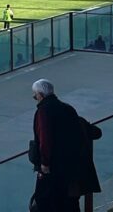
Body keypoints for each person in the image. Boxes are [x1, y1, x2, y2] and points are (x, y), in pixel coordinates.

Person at [30, 79, 99, 211]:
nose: (35, 98)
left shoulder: (43, 111)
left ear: (41, 95)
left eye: (35, 95)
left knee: (46, 200)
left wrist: (44, 163)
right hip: (72, 167)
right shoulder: (67, 108)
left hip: (54, 168)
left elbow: (45, 139)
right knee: (70, 202)